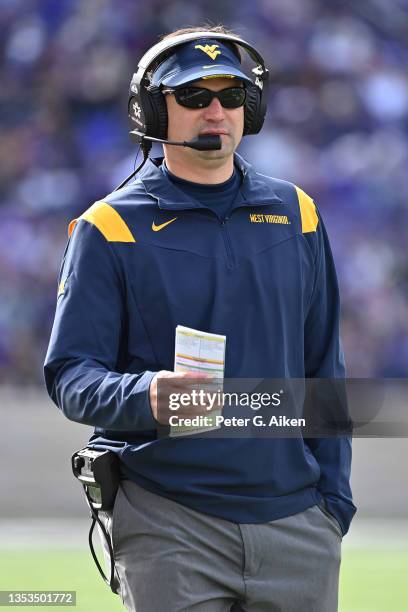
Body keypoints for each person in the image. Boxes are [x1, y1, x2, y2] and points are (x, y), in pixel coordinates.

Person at [44, 25, 356, 612]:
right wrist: (146, 394)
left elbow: (324, 368)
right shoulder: (108, 229)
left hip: (297, 525)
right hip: (170, 523)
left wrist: (331, 507)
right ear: (152, 111)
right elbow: (69, 375)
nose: (216, 111)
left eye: (232, 96)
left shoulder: (300, 214)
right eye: (193, 97)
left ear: (251, 108)